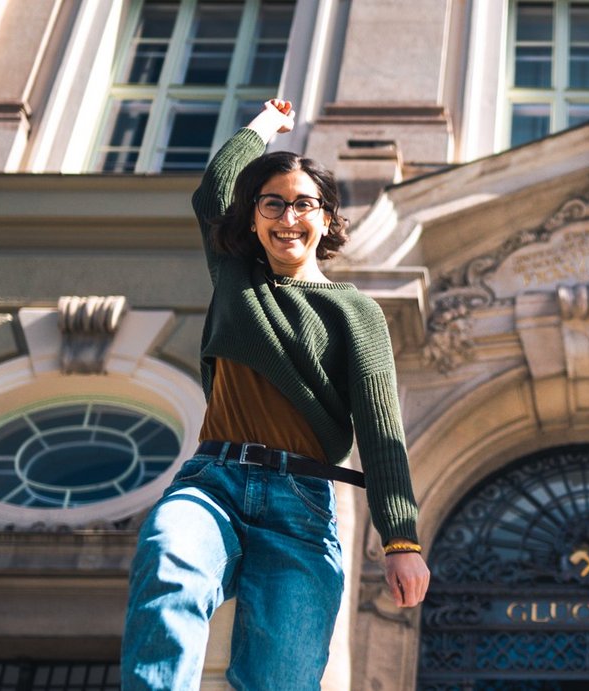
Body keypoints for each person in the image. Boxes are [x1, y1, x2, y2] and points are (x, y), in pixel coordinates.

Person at [122, 99, 429, 690]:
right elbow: (213, 190)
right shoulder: (238, 277)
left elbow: (382, 433)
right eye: (273, 203)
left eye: (304, 204)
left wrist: (401, 540)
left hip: (302, 506)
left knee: (281, 680)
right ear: (254, 216)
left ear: (327, 217)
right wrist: (264, 126)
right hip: (212, 483)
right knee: (169, 567)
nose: (288, 217)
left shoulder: (355, 311)